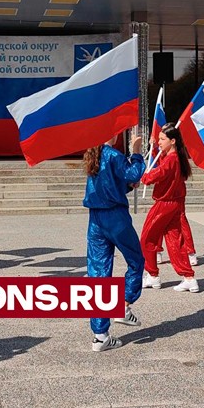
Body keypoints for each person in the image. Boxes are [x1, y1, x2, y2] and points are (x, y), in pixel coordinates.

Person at [82, 132, 146, 351]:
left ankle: (100, 335)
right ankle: (124, 304)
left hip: (95, 219)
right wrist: (136, 152)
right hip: (115, 217)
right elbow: (134, 173)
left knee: (98, 273)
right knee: (136, 260)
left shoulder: (94, 155)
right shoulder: (112, 154)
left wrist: (127, 187)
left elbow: (110, 182)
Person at [139, 123, 198, 292]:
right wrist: (154, 147)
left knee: (147, 238)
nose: (159, 142)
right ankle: (188, 277)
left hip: (165, 204)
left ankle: (152, 275)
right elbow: (163, 164)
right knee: (175, 241)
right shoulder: (175, 157)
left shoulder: (172, 160)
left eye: (162, 139)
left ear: (172, 141)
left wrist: (143, 177)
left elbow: (158, 173)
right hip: (173, 204)